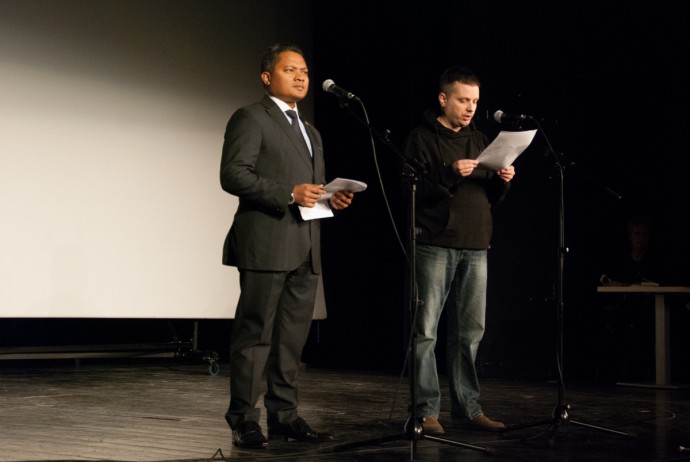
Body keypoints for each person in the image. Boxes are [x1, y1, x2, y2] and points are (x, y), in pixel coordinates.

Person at [220, 43, 354, 449]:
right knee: (255, 336)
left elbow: (310, 189)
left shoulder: (311, 131)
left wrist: (331, 197)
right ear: (267, 77)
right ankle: (244, 419)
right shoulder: (250, 117)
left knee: (291, 340)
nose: (300, 77)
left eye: (305, 71)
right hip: (266, 243)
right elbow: (233, 174)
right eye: (290, 69)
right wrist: (288, 193)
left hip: (305, 245)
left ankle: (284, 416)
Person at [403, 65, 515, 435]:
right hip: (435, 243)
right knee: (426, 331)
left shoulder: (481, 139)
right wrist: (450, 172)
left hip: (477, 244)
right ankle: (425, 411)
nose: (470, 108)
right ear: (443, 99)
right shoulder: (421, 138)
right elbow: (411, 190)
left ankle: (468, 409)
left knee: (470, 333)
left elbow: (490, 196)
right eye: (463, 100)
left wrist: (503, 181)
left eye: (475, 101)